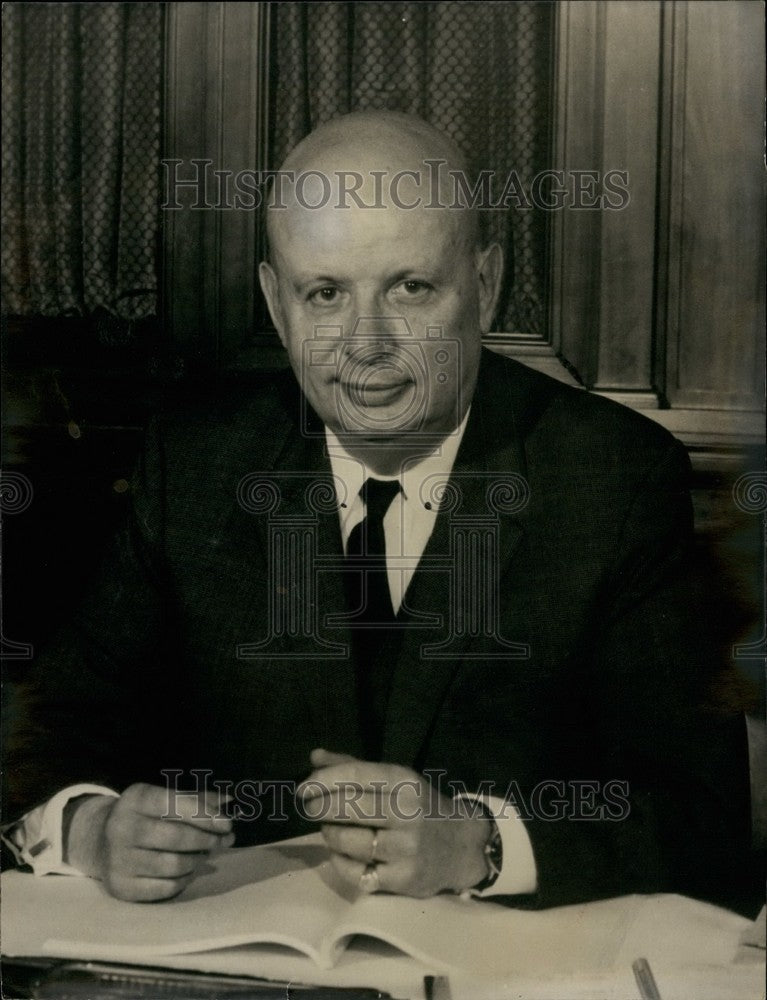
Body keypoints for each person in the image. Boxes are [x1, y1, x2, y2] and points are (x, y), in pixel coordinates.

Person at [3, 112, 759, 913]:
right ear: (275, 303)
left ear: (486, 283)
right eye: (324, 294)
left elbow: (698, 813)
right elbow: (43, 731)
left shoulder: (610, 475)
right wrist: (88, 827)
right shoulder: (195, 462)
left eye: (410, 288)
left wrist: (481, 843)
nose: (366, 343)